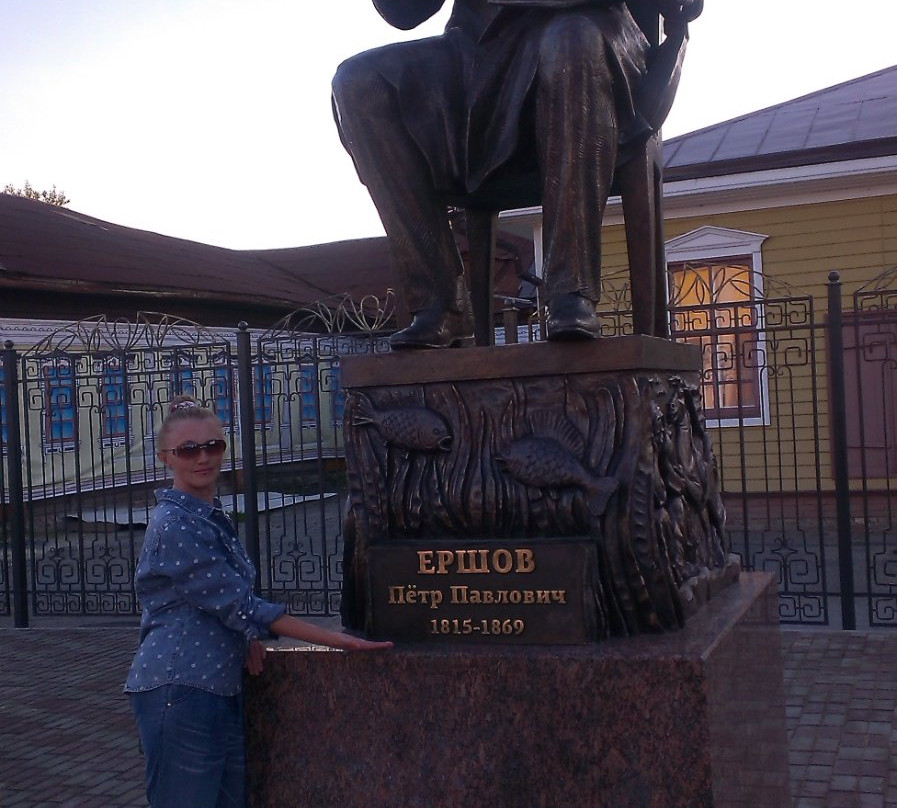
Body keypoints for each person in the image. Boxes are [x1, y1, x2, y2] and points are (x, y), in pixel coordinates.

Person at [332, 0, 701, 348]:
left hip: (596, 37)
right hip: (477, 50)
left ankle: (571, 292)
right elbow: (404, 12)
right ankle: (440, 299)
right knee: (358, 82)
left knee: (571, 43)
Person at [124, 395, 391, 808]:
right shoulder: (174, 524)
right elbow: (240, 604)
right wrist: (339, 641)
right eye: (188, 450)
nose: (203, 458)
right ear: (166, 458)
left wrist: (246, 636)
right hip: (179, 689)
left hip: (216, 685)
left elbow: (218, 603)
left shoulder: (208, 515)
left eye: (213, 446)